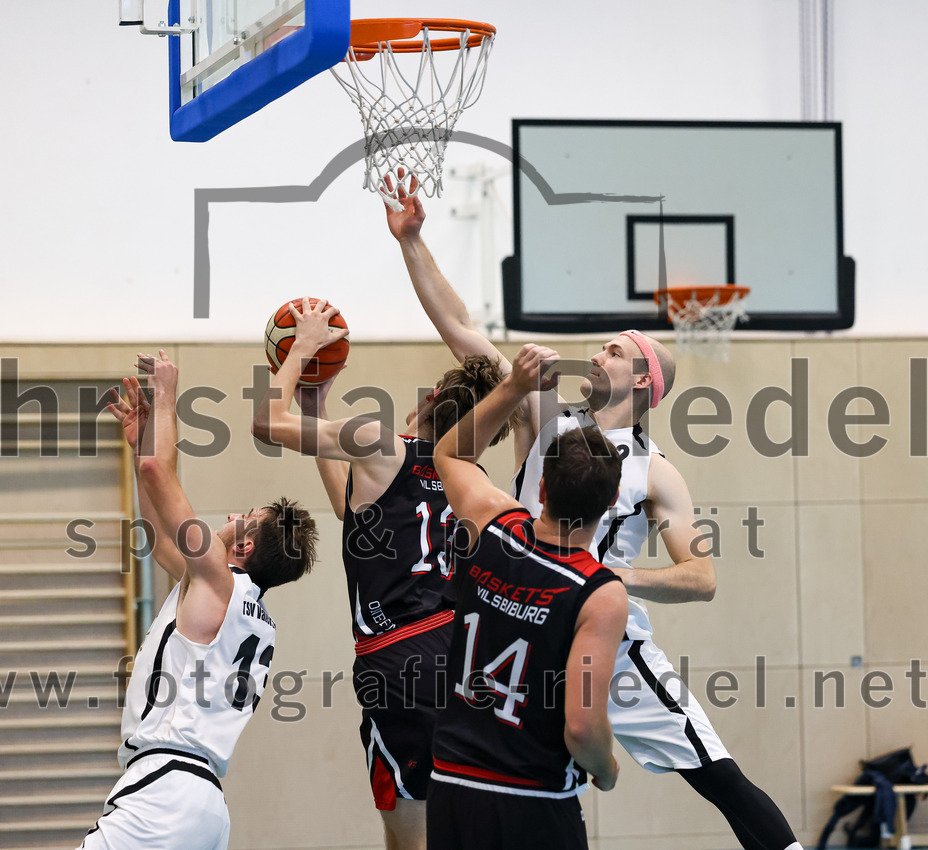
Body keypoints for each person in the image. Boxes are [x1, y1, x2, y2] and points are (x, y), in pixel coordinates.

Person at [385, 177, 803, 850]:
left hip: (607, 637)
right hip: (518, 619)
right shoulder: (544, 411)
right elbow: (462, 328)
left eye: (615, 347)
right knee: (487, 776)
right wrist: (413, 242)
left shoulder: (656, 470)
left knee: (717, 773)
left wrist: (608, 582)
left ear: (643, 381)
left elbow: (702, 576)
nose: (598, 350)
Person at [252, 299, 513, 850]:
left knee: (407, 834)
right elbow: (354, 518)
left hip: (397, 659)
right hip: (465, 661)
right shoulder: (480, 488)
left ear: (429, 401)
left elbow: (266, 423)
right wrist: (317, 403)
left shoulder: (379, 444)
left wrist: (301, 348)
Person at [81, 351, 318, 850]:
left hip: (164, 792)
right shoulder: (235, 602)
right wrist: (141, 440)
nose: (231, 514)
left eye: (243, 515)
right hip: (203, 801)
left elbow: (156, 471)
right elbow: (160, 539)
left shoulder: (217, 580)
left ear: (245, 547)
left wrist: (166, 395)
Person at [427, 343, 628, 850]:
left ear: (542, 487)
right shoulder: (597, 590)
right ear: (609, 505)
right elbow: (582, 727)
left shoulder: (490, 522)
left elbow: (449, 452)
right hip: (532, 796)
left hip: (451, 782)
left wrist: (515, 384)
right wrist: (607, 770)